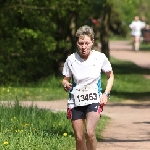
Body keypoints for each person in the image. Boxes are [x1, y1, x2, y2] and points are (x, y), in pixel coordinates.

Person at [62, 25, 114, 150]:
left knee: (89, 133)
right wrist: (65, 84)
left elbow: (110, 76)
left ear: (92, 42)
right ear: (77, 43)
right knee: (79, 138)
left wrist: (105, 94)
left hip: (94, 99)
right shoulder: (71, 60)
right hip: (75, 101)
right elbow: (65, 79)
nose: (84, 47)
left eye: (86, 43)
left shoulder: (100, 57)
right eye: (81, 43)